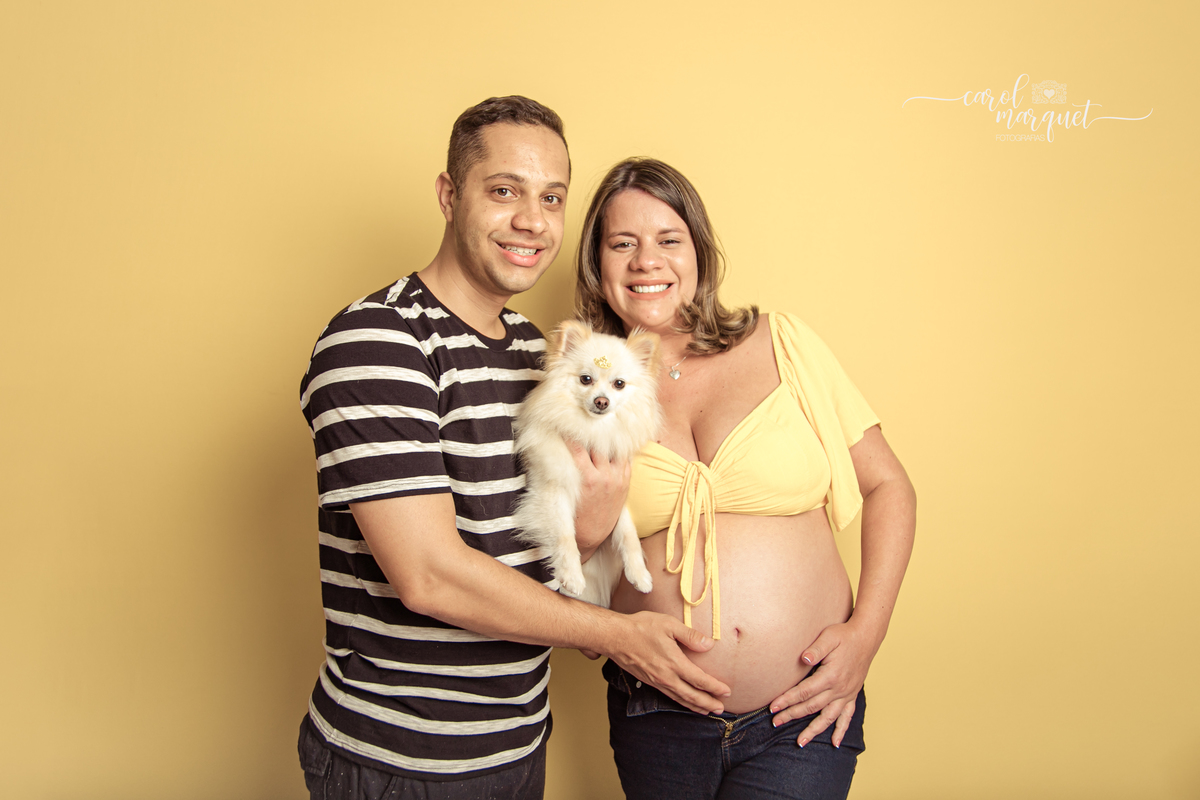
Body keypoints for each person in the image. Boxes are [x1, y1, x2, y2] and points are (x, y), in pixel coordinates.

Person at [296, 99, 730, 800]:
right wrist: (619, 634)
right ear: (449, 196)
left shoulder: (540, 354)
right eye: (504, 191)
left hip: (518, 741)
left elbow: (547, 549)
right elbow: (429, 577)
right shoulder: (380, 341)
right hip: (401, 760)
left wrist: (597, 532)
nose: (532, 220)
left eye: (551, 198)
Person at [573, 157, 917, 800]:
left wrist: (865, 637)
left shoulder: (783, 344)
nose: (647, 261)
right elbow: (566, 581)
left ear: (699, 253)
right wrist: (592, 556)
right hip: (655, 712)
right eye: (623, 244)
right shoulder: (580, 390)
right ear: (598, 264)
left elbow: (888, 486)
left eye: (669, 239)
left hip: (802, 713)